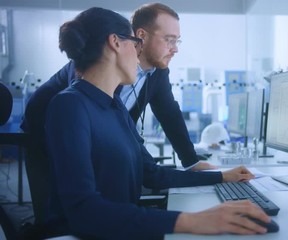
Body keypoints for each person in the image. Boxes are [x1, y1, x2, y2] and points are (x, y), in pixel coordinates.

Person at [44, 7, 271, 239]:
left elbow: (152, 174)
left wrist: (222, 177)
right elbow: (83, 211)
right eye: (134, 44)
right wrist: (190, 221)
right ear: (115, 43)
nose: (138, 54)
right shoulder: (70, 106)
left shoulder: (116, 108)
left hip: (118, 228)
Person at [21, 2, 215, 171]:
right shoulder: (99, 62)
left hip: (89, 142)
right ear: (141, 35)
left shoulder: (158, 71)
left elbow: (169, 114)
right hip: (43, 133)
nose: (175, 49)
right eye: (169, 40)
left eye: (176, 41)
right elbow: (83, 109)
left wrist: (190, 161)